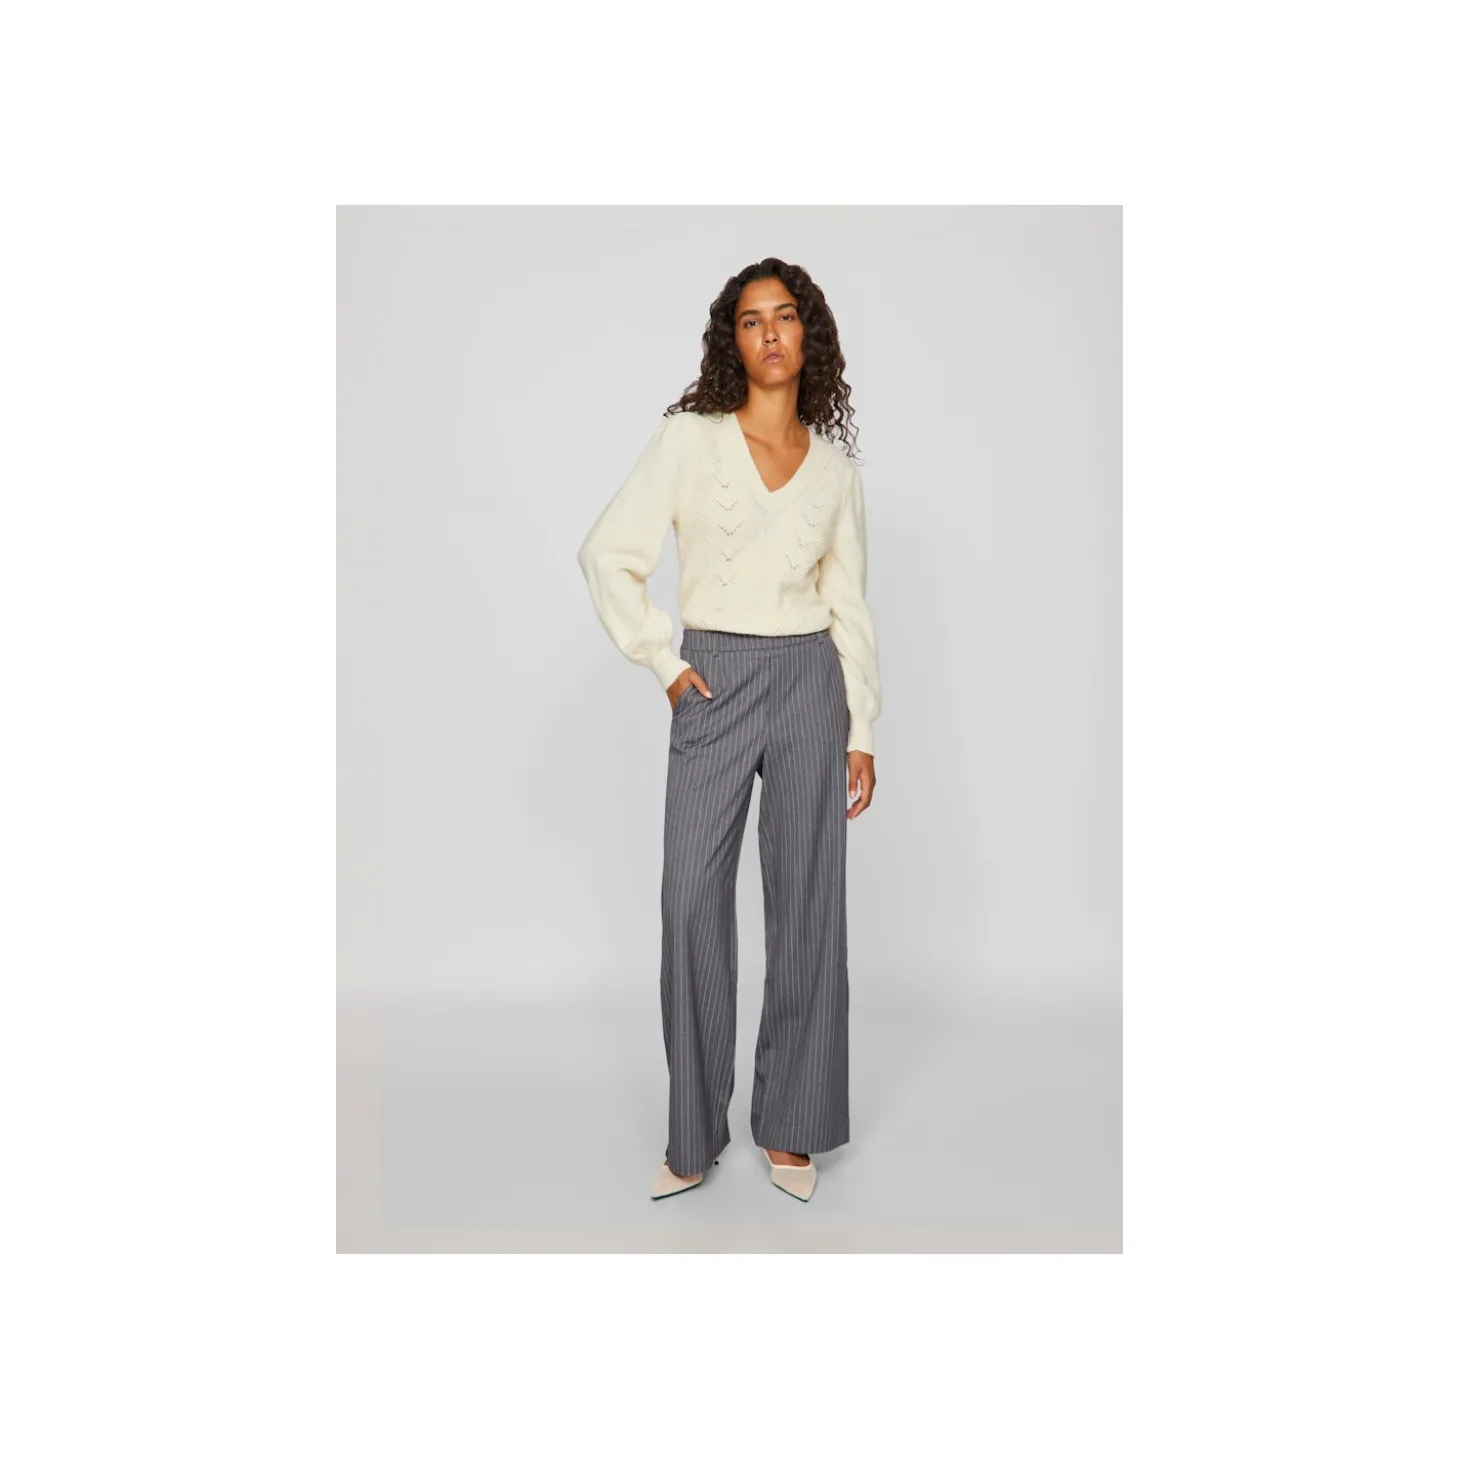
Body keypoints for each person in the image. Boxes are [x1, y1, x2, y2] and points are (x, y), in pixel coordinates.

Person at [576, 258, 881, 1204]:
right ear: (732, 341)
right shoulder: (692, 440)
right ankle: (693, 1133)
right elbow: (608, 554)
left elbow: (849, 604)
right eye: (752, 321)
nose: (771, 334)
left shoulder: (835, 473)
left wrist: (862, 727)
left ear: (808, 333)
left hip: (810, 685)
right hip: (714, 679)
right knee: (690, 901)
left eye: (785, 316)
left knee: (808, 906)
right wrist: (665, 662)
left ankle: (793, 1123)